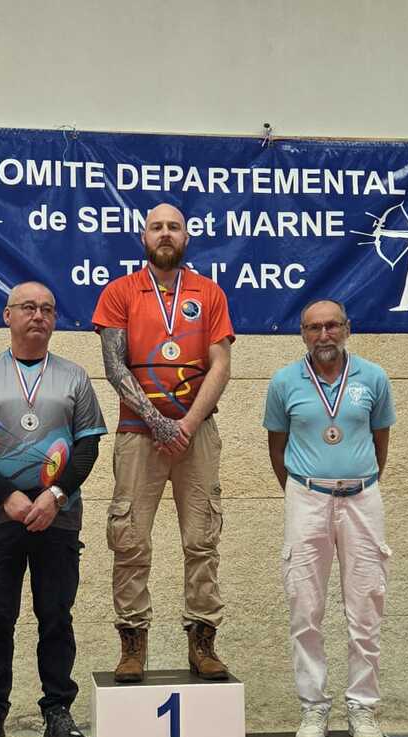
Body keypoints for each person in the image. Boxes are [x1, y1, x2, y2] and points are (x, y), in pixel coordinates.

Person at [0, 281, 106, 737]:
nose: (39, 315)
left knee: (55, 617)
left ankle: (58, 713)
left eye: (48, 309)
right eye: (29, 308)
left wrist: (55, 495)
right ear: (8, 315)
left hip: (59, 517)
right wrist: (9, 496)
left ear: (55, 319)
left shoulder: (75, 377)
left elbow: (88, 446)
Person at [93, 203, 234, 683]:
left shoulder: (209, 293)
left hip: (198, 433)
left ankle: (203, 642)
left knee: (202, 539)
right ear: (144, 236)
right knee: (129, 538)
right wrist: (157, 422)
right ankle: (133, 644)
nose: (165, 234)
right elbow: (114, 365)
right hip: (139, 435)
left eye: (174, 227)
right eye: (157, 227)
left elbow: (221, 365)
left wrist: (186, 425)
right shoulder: (119, 292)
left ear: (187, 237)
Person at [265, 300, 396, 737]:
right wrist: (302, 489)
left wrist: (357, 481)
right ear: (302, 333)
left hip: (362, 497)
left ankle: (363, 708)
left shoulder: (373, 378)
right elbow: (277, 446)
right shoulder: (284, 382)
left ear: (347, 329)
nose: (324, 335)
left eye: (332, 326)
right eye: (314, 327)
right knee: (305, 606)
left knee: (367, 604)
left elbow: (380, 442)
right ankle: (313, 708)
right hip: (306, 497)